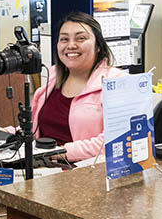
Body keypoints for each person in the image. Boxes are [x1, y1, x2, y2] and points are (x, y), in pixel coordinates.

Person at [32, 11, 125, 162]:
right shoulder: (53, 77)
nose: (71, 45)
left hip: (83, 173)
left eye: (81, 38)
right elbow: (34, 131)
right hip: (43, 166)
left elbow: (113, 140)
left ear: (98, 46)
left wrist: (57, 153)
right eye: (64, 39)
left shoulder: (116, 82)